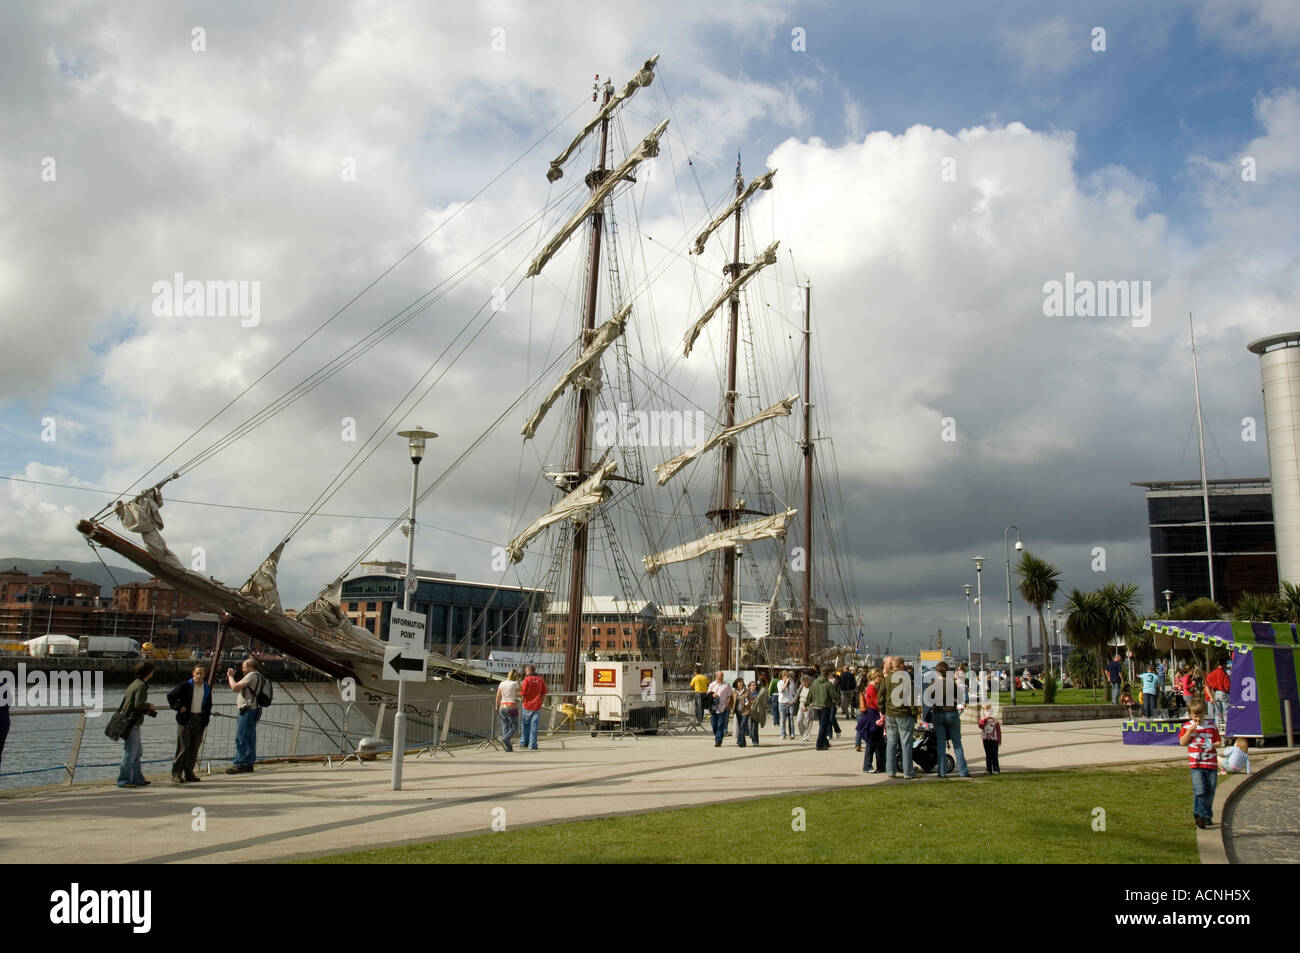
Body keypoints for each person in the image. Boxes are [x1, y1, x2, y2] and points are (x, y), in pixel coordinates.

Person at [1178, 700, 1222, 829]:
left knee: (1210, 790)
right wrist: (1189, 732)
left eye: (1201, 716)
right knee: (1199, 790)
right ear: (1190, 715)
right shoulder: (1187, 726)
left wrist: (1212, 745)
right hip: (1196, 764)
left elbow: (1219, 742)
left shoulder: (1211, 726)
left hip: (1210, 763)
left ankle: (1206, 815)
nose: (1198, 719)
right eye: (1195, 716)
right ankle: (1199, 815)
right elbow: (1182, 742)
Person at [166, 664, 212, 783]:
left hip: (199, 719)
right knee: (183, 747)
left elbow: (208, 705)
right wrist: (178, 707)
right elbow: (170, 696)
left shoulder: (206, 687)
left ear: (205, 675)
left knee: (194, 747)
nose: (199, 676)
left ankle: (189, 772)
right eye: (197, 673)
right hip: (186, 719)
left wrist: (205, 719)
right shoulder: (185, 685)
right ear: (193, 673)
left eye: (201, 673)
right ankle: (176, 773)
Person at [117, 661, 158, 788]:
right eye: (152, 670)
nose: (153, 672)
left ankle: (137, 778)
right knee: (130, 752)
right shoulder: (141, 686)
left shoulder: (134, 683)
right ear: (148, 672)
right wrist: (149, 706)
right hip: (132, 723)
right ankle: (124, 780)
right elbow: (138, 704)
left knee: (137, 751)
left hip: (129, 721)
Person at [226, 657, 267, 773]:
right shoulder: (259, 676)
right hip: (256, 709)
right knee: (250, 738)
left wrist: (230, 676)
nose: (242, 668)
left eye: (244, 666)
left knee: (241, 738)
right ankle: (249, 763)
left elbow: (235, 687)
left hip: (247, 710)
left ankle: (239, 764)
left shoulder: (251, 675)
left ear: (250, 667)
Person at [931, 661, 971, 778]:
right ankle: (963, 771)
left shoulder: (934, 685)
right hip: (952, 714)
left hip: (938, 714)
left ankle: (942, 772)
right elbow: (959, 698)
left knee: (941, 744)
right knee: (957, 743)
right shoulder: (952, 684)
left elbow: (929, 698)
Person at [884, 657, 917, 778]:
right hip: (903, 713)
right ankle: (908, 771)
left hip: (890, 714)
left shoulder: (886, 678)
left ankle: (890, 771)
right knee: (906, 744)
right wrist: (913, 713)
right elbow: (911, 697)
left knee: (891, 743)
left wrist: (885, 710)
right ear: (902, 665)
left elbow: (881, 696)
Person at [806, 665, 838, 750]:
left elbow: (810, 694)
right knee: (824, 726)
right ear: (828, 674)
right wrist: (837, 698)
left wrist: (807, 703)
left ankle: (825, 742)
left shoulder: (815, 682)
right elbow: (834, 696)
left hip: (816, 706)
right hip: (825, 706)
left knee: (822, 724)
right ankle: (819, 744)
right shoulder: (828, 684)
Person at [861, 668, 886, 773]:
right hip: (873, 715)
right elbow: (877, 702)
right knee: (873, 742)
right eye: (879, 677)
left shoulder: (870, 687)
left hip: (872, 715)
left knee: (877, 742)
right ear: (873, 677)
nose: (880, 679)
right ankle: (868, 765)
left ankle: (880, 765)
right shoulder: (872, 688)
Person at [519, 664, 547, 750]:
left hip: (527, 705)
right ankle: (533, 745)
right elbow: (544, 692)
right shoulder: (540, 680)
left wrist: (523, 702)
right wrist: (541, 701)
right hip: (537, 705)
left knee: (525, 725)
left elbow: (523, 693)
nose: (525, 672)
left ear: (529, 671)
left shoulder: (526, 680)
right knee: (534, 726)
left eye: (526, 671)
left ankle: (524, 742)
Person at [496, 667, 521, 752]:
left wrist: (497, 706)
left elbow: (498, 696)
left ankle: (509, 747)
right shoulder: (514, 683)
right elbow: (522, 691)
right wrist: (518, 680)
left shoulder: (502, 683)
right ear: (515, 676)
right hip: (511, 707)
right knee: (515, 726)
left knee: (505, 726)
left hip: (502, 707)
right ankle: (506, 738)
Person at [708, 671, 734, 747]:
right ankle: (719, 735)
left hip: (723, 708)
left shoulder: (726, 685)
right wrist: (713, 695)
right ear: (716, 676)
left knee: (720, 725)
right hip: (714, 708)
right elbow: (708, 695)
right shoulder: (712, 685)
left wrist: (727, 704)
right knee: (714, 725)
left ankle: (718, 741)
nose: (722, 677)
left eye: (722, 676)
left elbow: (730, 696)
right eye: (720, 676)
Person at [1206, 661, 1230, 729]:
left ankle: (1217, 728)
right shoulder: (1223, 673)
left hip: (1215, 693)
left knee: (1217, 713)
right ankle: (1227, 728)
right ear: (1224, 664)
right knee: (1225, 712)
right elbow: (1227, 685)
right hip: (1223, 692)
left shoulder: (1211, 673)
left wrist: (1211, 696)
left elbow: (1207, 686)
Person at [978, 705, 1001, 774]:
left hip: (994, 739)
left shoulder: (995, 721)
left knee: (994, 754)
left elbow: (998, 731)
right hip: (986, 739)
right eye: (986, 711)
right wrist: (984, 720)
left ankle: (996, 768)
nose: (987, 713)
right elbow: (980, 725)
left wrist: (999, 740)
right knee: (988, 754)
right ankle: (988, 768)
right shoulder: (982, 720)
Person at [778, 670, 797, 739]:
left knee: (791, 718)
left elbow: (794, 693)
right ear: (784, 676)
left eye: (789, 677)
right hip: (782, 704)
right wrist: (785, 683)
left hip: (790, 703)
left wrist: (793, 701)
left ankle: (792, 733)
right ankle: (783, 734)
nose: (789, 678)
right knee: (783, 719)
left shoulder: (792, 683)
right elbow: (782, 690)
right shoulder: (779, 683)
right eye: (787, 676)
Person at [747, 679, 766, 746]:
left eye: (755, 685)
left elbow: (762, 701)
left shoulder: (759, 694)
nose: (754, 686)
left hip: (756, 712)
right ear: (749, 686)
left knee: (755, 728)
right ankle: (751, 735)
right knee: (750, 727)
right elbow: (745, 702)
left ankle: (755, 742)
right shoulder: (747, 693)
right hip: (749, 712)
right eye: (752, 685)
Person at [732, 677, 751, 748]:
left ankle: (741, 742)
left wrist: (748, 703)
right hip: (738, 711)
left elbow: (750, 700)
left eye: (742, 682)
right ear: (736, 684)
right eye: (739, 682)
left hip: (745, 711)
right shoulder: (734, 692)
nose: (741, 683)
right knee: (740, 726)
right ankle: (743, 742)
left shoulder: (747, 691)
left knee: (743, 726)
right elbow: (732, 701)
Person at [795, 674, 813, 741]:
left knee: (808, 721)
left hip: (808, 705)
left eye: (805, 681)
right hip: (801, 704)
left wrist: (811, 703)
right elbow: (796, 695)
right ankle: (803, 734)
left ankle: (806, 736)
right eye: (803, 682)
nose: (804, 683)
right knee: (799, 720)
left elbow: (814, 697)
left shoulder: (811, 688)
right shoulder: (801, 688)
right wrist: (792, 702)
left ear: (808, 681)